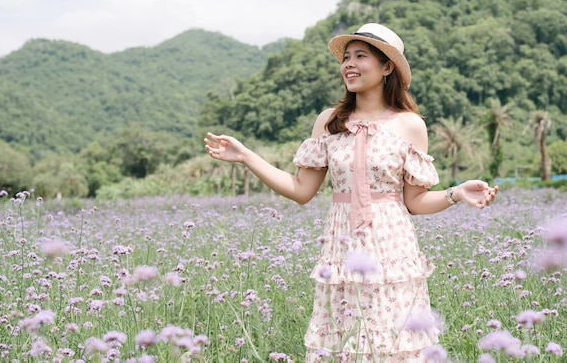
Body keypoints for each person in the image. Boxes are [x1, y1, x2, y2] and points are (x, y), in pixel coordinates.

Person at [205, 23, 498, 362]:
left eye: (361, 56)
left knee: (393, 341)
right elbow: (301, 190)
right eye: (346, 58)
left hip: (392, 249)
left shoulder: (410, 124)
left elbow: (415, 202)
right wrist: (246, 156)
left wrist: (456, 193)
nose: (349, 65)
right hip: (340, 246)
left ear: (387, 66)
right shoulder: (329, 121)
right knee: (344, 343)